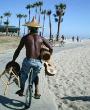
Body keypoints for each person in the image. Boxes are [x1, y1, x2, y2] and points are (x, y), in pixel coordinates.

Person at [11, 17, 53, 99]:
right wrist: (47, 59)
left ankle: (22, 90)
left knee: (23, 75)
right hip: (38, 62)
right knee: (35, 75)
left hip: (28, 61)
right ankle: (37, 91)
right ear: (37, 28)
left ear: (29, 28)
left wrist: (13, 60)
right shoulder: (42, 38)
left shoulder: (25, 38)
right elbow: (51, 48)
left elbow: (18, 50)